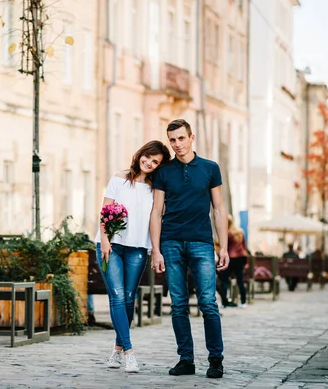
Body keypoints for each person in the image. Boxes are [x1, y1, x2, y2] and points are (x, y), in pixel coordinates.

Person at [150, 119, 229, 379]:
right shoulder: (164, 171)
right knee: (178, 304)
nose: (177, 144)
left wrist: (224, 247)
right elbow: (156, 211)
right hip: (171, 243)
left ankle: (215, 360)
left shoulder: (210, 168)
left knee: (208, 302)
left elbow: (218, 209)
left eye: (181, 138)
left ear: (191, 137)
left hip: (201, 243)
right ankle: (186, 359)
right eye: (172, 140)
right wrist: (156, 249)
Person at [95, 140, 171, 373]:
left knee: (129, 298)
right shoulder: (120, 178)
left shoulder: (155, 188)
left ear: (159, 166)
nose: (149, 163)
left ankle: (117, 349)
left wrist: (156, 249)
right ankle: (129, 352)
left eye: (155, 161)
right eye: (147, 157)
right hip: (111, 246)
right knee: (117, 296)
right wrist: (106, 240)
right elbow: (105, 211)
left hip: (138, 247)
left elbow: (156, 218)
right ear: (140, 155)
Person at [219, 215, 249, 308]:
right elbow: (244, 247)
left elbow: (225, 247)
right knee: (240, 280)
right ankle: (243, 302)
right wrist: (246, 261)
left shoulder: (227, 234)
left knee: (224, 279)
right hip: (241, 258)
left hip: (231, 258)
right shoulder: (240, 232)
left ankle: (225, 301)